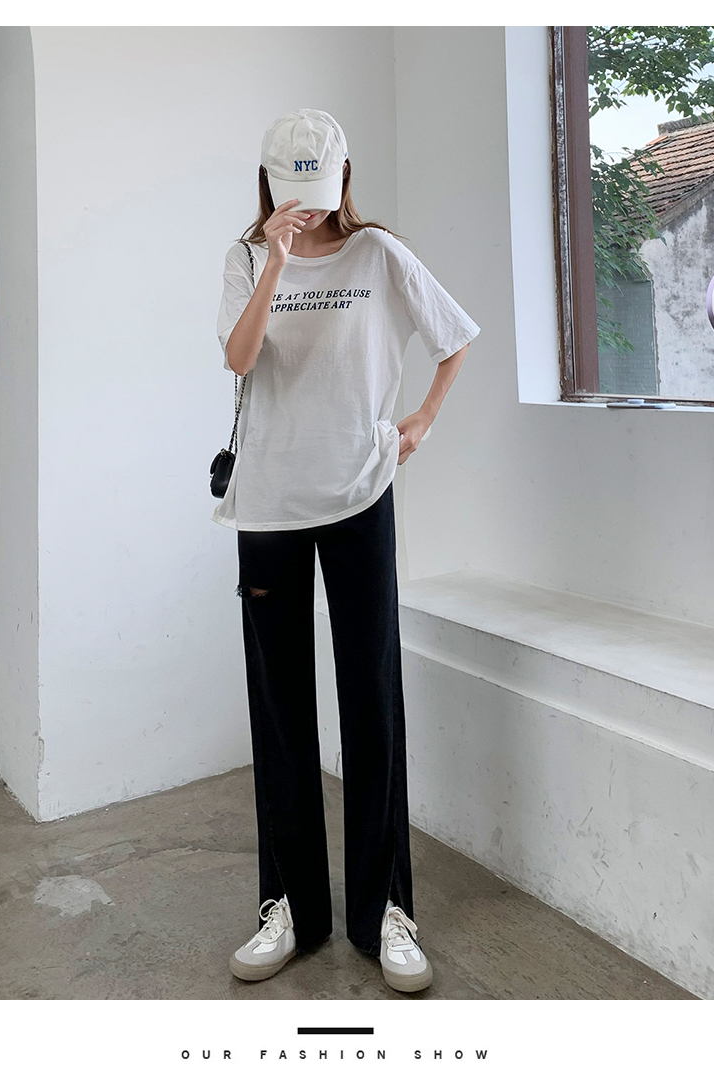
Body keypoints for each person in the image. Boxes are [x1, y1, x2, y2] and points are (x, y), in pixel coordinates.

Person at [212, 108, 480, 993]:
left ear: (343, 177)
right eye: (296, 194)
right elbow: (239, 358)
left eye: (322, 192)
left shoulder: (379, 255)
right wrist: (277, 261)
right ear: (270, 185)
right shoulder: (246, 256)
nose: (313, 208)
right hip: (269, 503)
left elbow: (454, 338)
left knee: (372, 700)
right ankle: (288, 905)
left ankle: (386, 911)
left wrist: (419, 424)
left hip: (361, 494)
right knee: (280, 710)